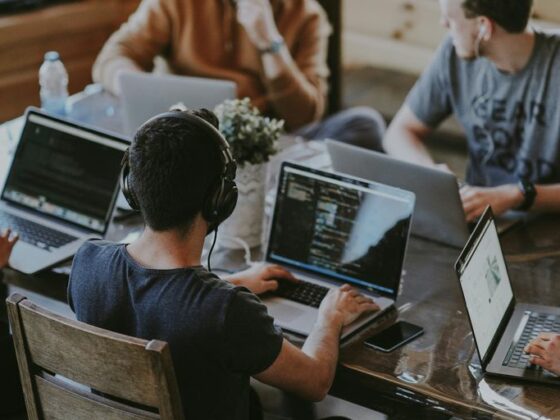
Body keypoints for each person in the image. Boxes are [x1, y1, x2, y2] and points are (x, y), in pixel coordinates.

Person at [67, 108, 379, 419]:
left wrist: (234, 282)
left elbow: (154, 299)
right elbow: (315, 382)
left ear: (132, 187)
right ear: (220, 199)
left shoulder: (88, 263)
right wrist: (330, 316)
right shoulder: (226, 311)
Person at [92, 0, 385, 151]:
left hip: (265, 144)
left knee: (365, 124)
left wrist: (270, 43)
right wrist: (142, 90)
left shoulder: (308, 15)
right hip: (184, 133)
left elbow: (305, 115)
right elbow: (113, 57)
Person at [383, 0, 560, 222]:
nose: (443, 23)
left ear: (484, 26)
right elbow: (399, 132)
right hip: (475, 220)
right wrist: (431, 173)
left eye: (450, 17)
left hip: (548, 228)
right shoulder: (452, 53)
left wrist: (517, 195)